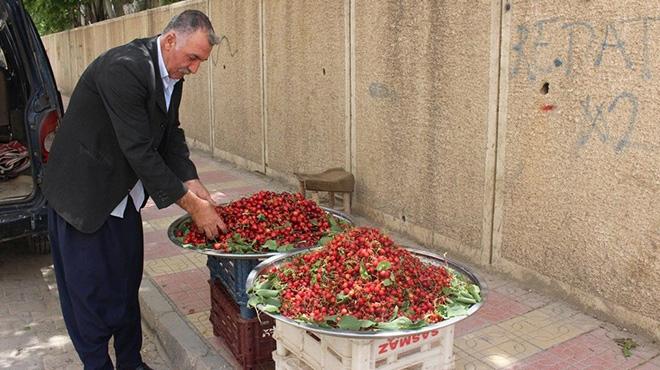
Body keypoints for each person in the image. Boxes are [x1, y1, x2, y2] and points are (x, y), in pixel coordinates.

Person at [42, 10, 227, 370]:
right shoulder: (123, 67)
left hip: (122, 197)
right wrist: (192, 206)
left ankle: (132, 362)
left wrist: (192, 180)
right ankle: (97, 365)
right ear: (170, 39)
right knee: (89, 293)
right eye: (193, 58)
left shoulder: (172, 73)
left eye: (201, 61)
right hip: (83, 198)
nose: (195, 69)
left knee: (127, 285)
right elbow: (139, 149)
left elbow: (170, 134)